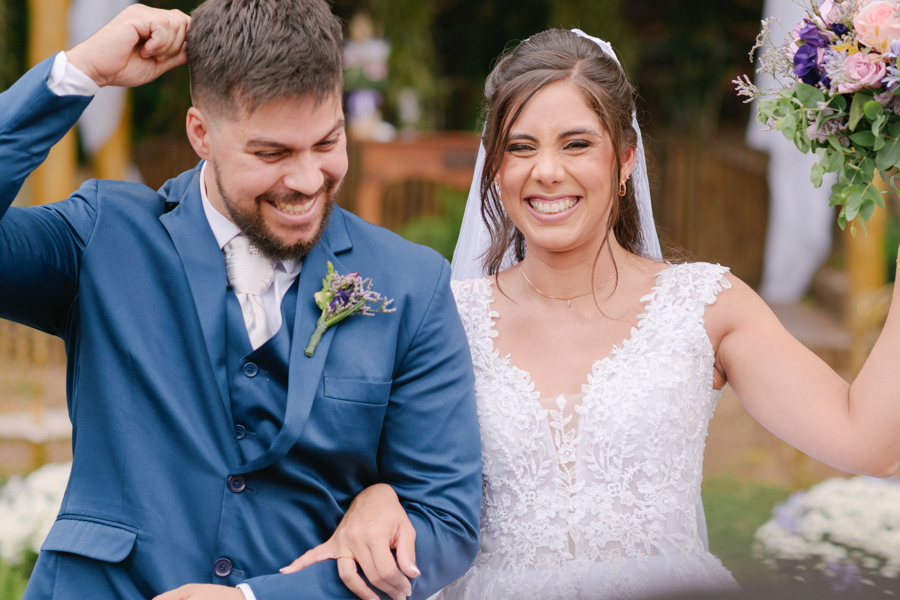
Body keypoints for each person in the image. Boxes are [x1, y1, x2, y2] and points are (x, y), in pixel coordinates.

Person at [285, 29, 900, 599]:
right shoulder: (446, 317)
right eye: (520, 148)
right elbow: (365, 471)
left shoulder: (704, 306)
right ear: (494, 170)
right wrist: (376, 496)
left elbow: (868, 443)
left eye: (577, 144)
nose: (546, 171)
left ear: (626, 159)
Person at [0, 2, 482, 599]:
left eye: (327, 142)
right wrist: (77, 75)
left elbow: (444, 518)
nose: (307, 180)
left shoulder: (411, 283)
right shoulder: (104, 236)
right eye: (272, 154)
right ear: (201, 133)